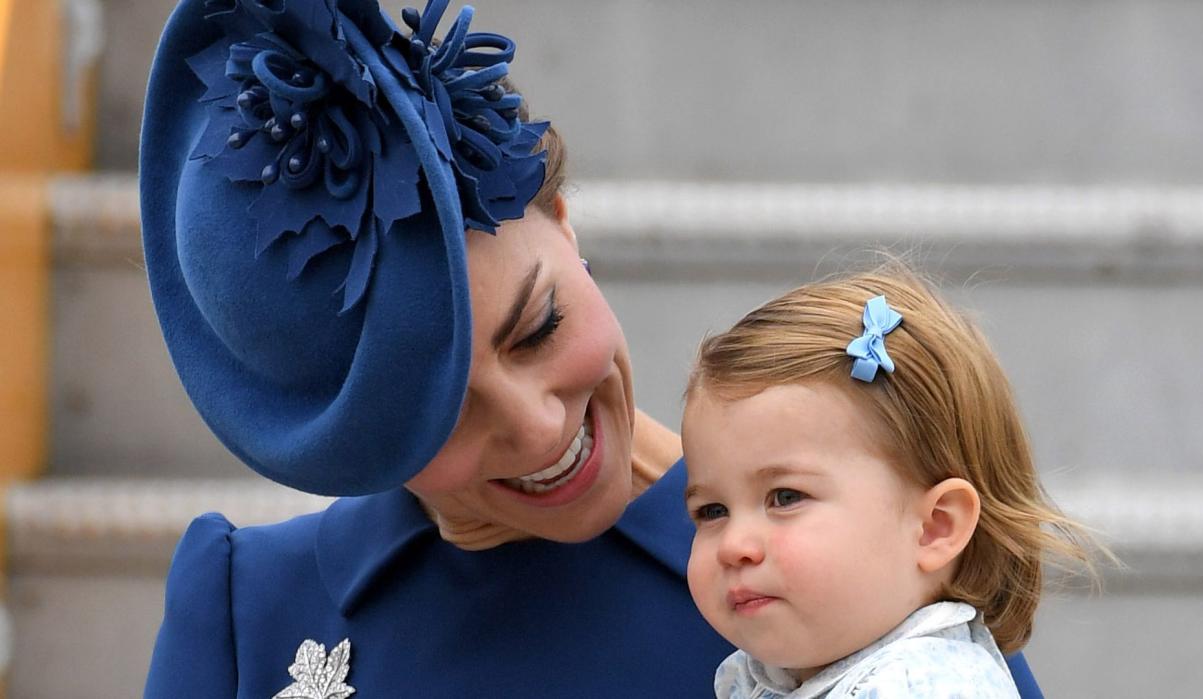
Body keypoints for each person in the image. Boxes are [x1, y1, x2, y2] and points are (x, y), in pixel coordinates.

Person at [139, 1, 1044, 696]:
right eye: (445, 405)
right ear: (347, 435)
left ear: (564, 227)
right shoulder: (247, 609)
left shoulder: (855, 581)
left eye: (539, 327)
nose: (538, 430)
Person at [681, 266, 1095, 698]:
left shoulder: (922, 687)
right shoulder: (767, 678)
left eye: (785, 497)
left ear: (935, 526)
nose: (733, 546)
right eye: (712, 511)